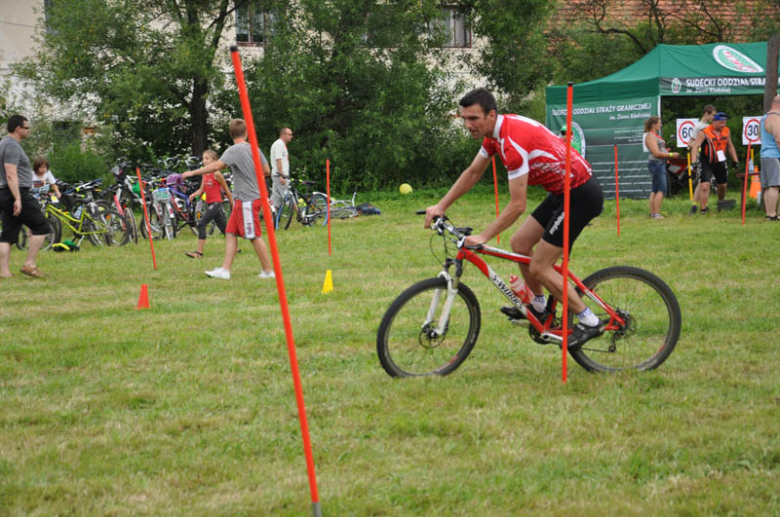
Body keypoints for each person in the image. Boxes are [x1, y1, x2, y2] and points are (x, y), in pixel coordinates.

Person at [424, 88, 604, 350]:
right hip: (560, 191)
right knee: (519, 244)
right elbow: (473, 173)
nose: (467, 124)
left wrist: (484, 236)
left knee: (540, 266)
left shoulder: (512, 144)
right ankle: (539, 307)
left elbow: (518, 205)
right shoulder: (493, 134)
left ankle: (588, 320)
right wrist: (441, 205)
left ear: (491, 115)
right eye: (464, 118)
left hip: (580, 194)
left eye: (473, 118)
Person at [182, 119, 274, 280]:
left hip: (247, 199)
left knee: (253, 235)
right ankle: (225, 270)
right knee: (230, 232)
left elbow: (217, 166)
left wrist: (193, 173)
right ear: (246, 133)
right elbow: (266, 171)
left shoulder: (233, 150)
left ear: (231, 134)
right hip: (247, 198)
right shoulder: (255, 149)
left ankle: (268, 271)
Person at [0, 115, 51, 278]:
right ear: (18, 129)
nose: (29, 131)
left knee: (8, 233)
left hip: (6, 193)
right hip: (16, 192)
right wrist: (18, 199)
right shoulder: (12, 145)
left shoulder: (3, 143)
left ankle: (4, 273)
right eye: (27, 128)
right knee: (42, 226)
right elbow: (10, 174)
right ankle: (30, 264)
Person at [184, 149, 234, 258]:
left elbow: (226, 189)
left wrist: (231, 202)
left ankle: (199, 253)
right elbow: (201, 190)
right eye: (203, 158)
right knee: (225, 229)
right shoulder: (205, 174)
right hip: (210, 203)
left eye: (207, 158)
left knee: (201, 224)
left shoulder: (217, 174)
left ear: (214, 161)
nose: (204, 161)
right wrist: (193, 195)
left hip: (216, 204)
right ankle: (235, 248)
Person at [690, 112, 739, 215]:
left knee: (723, 185)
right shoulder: (704, 132)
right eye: (721, 122)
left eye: (724, 122)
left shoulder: (726, 131)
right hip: (706, 162)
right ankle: (703, 209)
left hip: (720, 161)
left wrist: (735, 160)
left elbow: (730, 146)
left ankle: (720, 203)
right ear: (714, 122)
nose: (723, 125)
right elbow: (695, 146)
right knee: (705, 185)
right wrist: (693, 162)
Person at [644, 117, 679, 219]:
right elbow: (656, 153)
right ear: (653, 124)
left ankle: (653, 213)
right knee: (661, 189)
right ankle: (656, 214)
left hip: (658, 163)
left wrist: (666, 151)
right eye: (659, 123)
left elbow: (659, 149)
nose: (660, 125)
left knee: (655, 189)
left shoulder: (654, 135)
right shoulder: (650, 136)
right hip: (657, 164)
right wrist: (671, 155)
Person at [687, 105, 716, 214]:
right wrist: (698, 148)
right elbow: (690, 143)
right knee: (702, 182)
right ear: (706, 114)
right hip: (701, 158)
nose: (714, 117)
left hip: (709, 158)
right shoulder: (699, 127)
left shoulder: (709, 126)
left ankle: (701, 205)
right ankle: (696, 205)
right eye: (712, 115)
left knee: (704, 182)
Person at [759, 94, 780, 221]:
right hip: (775, 155)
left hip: (765, 154)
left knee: (768, 186)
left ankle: (770, 213)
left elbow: (759, 136)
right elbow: (779, 139)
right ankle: (772, 215)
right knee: (775, 185)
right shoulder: (775, 118)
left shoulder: (764, 117)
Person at [270, 127, 293, 210]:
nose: (291, 136)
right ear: (283, 135)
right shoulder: (279, 144)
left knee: (275, 200)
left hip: (277, 175)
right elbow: (278, 160)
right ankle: (301, 215)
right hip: (280, 176)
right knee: (289, 196)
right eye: (289, 134)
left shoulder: (281, 144)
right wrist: (281, 175)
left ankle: (271, 218)